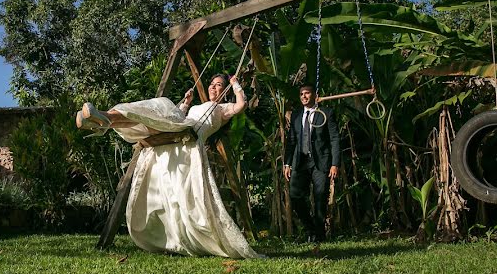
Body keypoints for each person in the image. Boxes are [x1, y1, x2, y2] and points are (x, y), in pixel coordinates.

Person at [77, 74, 260, 259]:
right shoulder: (200, 106)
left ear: (225, 90)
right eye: (211, 84)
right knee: (147, 117)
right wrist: (186, 103)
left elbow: (241, 105)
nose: (213, 87)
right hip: (179, 132)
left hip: (189, 142)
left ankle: (104, 121)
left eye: (219, 85)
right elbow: (180, 117)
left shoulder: (222, 109)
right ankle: (104, 119)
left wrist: (235, 84)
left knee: (163, 104)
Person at [284, 84, 340, 242]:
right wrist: (287, 163)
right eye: (301, 94)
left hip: (320, 161)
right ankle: (310, 228)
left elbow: (334, 138)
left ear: (315, 95)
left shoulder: (326, 113)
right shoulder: (296, 114)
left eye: (307, 93)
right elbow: (292, 140)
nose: (304, 96)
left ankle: (319, 234)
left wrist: (335, 164)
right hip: (300, 161)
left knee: (320, 196)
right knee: (295, 196)